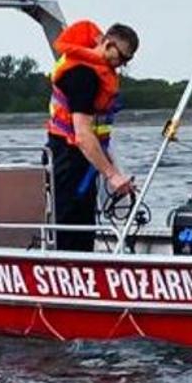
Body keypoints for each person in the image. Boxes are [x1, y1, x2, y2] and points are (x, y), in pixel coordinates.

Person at [45, 19, 139, 252]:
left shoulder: (99, 72)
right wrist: (112, 175)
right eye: (121, 57)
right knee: (70, 223)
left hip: (85, 160)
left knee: (85, 220)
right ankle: (67, 270)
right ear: (106, 43)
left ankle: (83, 264)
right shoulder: (83, 75)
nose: (121, 64)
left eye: (128, 60)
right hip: (68, 157)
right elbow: (83, 134)